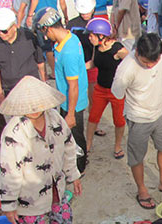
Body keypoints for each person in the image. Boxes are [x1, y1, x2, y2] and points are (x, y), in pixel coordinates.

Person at [0, 76, 82, 224]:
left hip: (56, 186)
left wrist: (73, 175)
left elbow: (69, 147)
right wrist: (8, 204)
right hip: (28, 194)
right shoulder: (13, 133)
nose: (34, 108)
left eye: (38, 104)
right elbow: (8, 171)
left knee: (62, 218)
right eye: (29, 105)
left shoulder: (56, 120)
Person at [111, 32, 162, 209]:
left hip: (161, 111)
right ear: (137, 51)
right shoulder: (125, 70)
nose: (151, 65)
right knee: (137, 157)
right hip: (138, 117)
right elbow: (117, 94)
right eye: (146, 62)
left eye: (155, 61)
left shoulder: (160, 47)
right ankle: (142, 189)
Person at [34, 7, 89, 174]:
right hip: (67, 99)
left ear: (49, 28)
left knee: (75, 137)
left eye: (45, 32)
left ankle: (79, 168)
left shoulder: (69, 51)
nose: (45, 37)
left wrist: (71, 113)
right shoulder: (66, 40)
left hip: (73, 102)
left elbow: (74, 85)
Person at [85, 18, 128, 158]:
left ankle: (117, 146)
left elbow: (131, 61)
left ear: (101, 35)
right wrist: (80, 68)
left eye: (91, 35)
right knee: (93, 117)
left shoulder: (117, 49)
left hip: (116, 91)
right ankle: (88, 144)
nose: (89, 37)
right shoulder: (96, 47)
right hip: (100, 89)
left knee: (119, 120)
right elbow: (93, 62)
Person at [0, 7, 46, 105]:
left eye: (4, 31)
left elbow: (40, 61)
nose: (1, 34)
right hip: (11, 91)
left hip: (32, 87)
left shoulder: (29, 37)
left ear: (14, 26)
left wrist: (44, 83)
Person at [67, 0, 104, 138]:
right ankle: (76, 123)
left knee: (93, 96)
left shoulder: (97, 23)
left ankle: (94, 124)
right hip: (76, 65)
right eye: (83, 12)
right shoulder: (71, 24)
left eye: (87, 11)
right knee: (75, 94)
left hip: (91, 64)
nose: (85, 14)